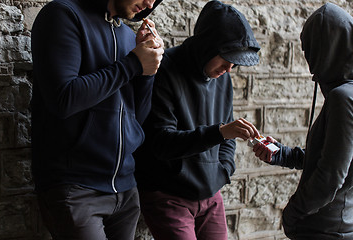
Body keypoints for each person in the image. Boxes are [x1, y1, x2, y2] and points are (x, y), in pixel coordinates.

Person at [30, 0, 164, 239]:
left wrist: (147, 73)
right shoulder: (63, 15)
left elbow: (137, 117)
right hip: (76, 187)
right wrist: (133, 64)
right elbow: (64, 99)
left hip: (125, 189)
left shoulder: (126, 36)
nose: (149, 3)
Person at [134, 1, 260, 239]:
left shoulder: (222, 78)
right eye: (226, 59)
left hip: (211, 195)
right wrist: (220, 132)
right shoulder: (164, 70)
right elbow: (161, 142)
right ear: (207, 46)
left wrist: (223, 170)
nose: (229, 68)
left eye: (234, 61)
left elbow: (227, 137)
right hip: (167, 194)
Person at [252, 3, 353, 239]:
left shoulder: (344, 97)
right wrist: (284, 154)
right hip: (338, 225)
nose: (309, 62)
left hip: (324, 229)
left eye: (309, 50)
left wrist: (293, 213)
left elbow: (332, 175)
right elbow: (338, 158)